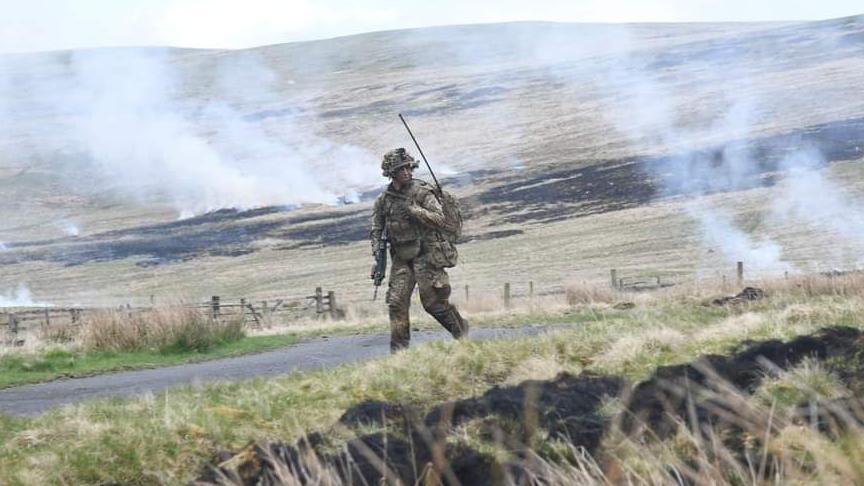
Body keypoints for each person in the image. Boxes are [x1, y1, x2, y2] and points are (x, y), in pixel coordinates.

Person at [370, 148, 468, 351]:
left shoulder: (422, 192)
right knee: (396, 303)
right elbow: (376, 228)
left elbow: (439, 218)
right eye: (400, 169)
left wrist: (417, 211)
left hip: (427, 254)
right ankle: (399, 352)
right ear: (391, 173)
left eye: (408, 167)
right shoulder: (384, 200)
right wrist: (376, 252)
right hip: (401, 257)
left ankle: (463, 336)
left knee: (433, 304)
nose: (406, 172)